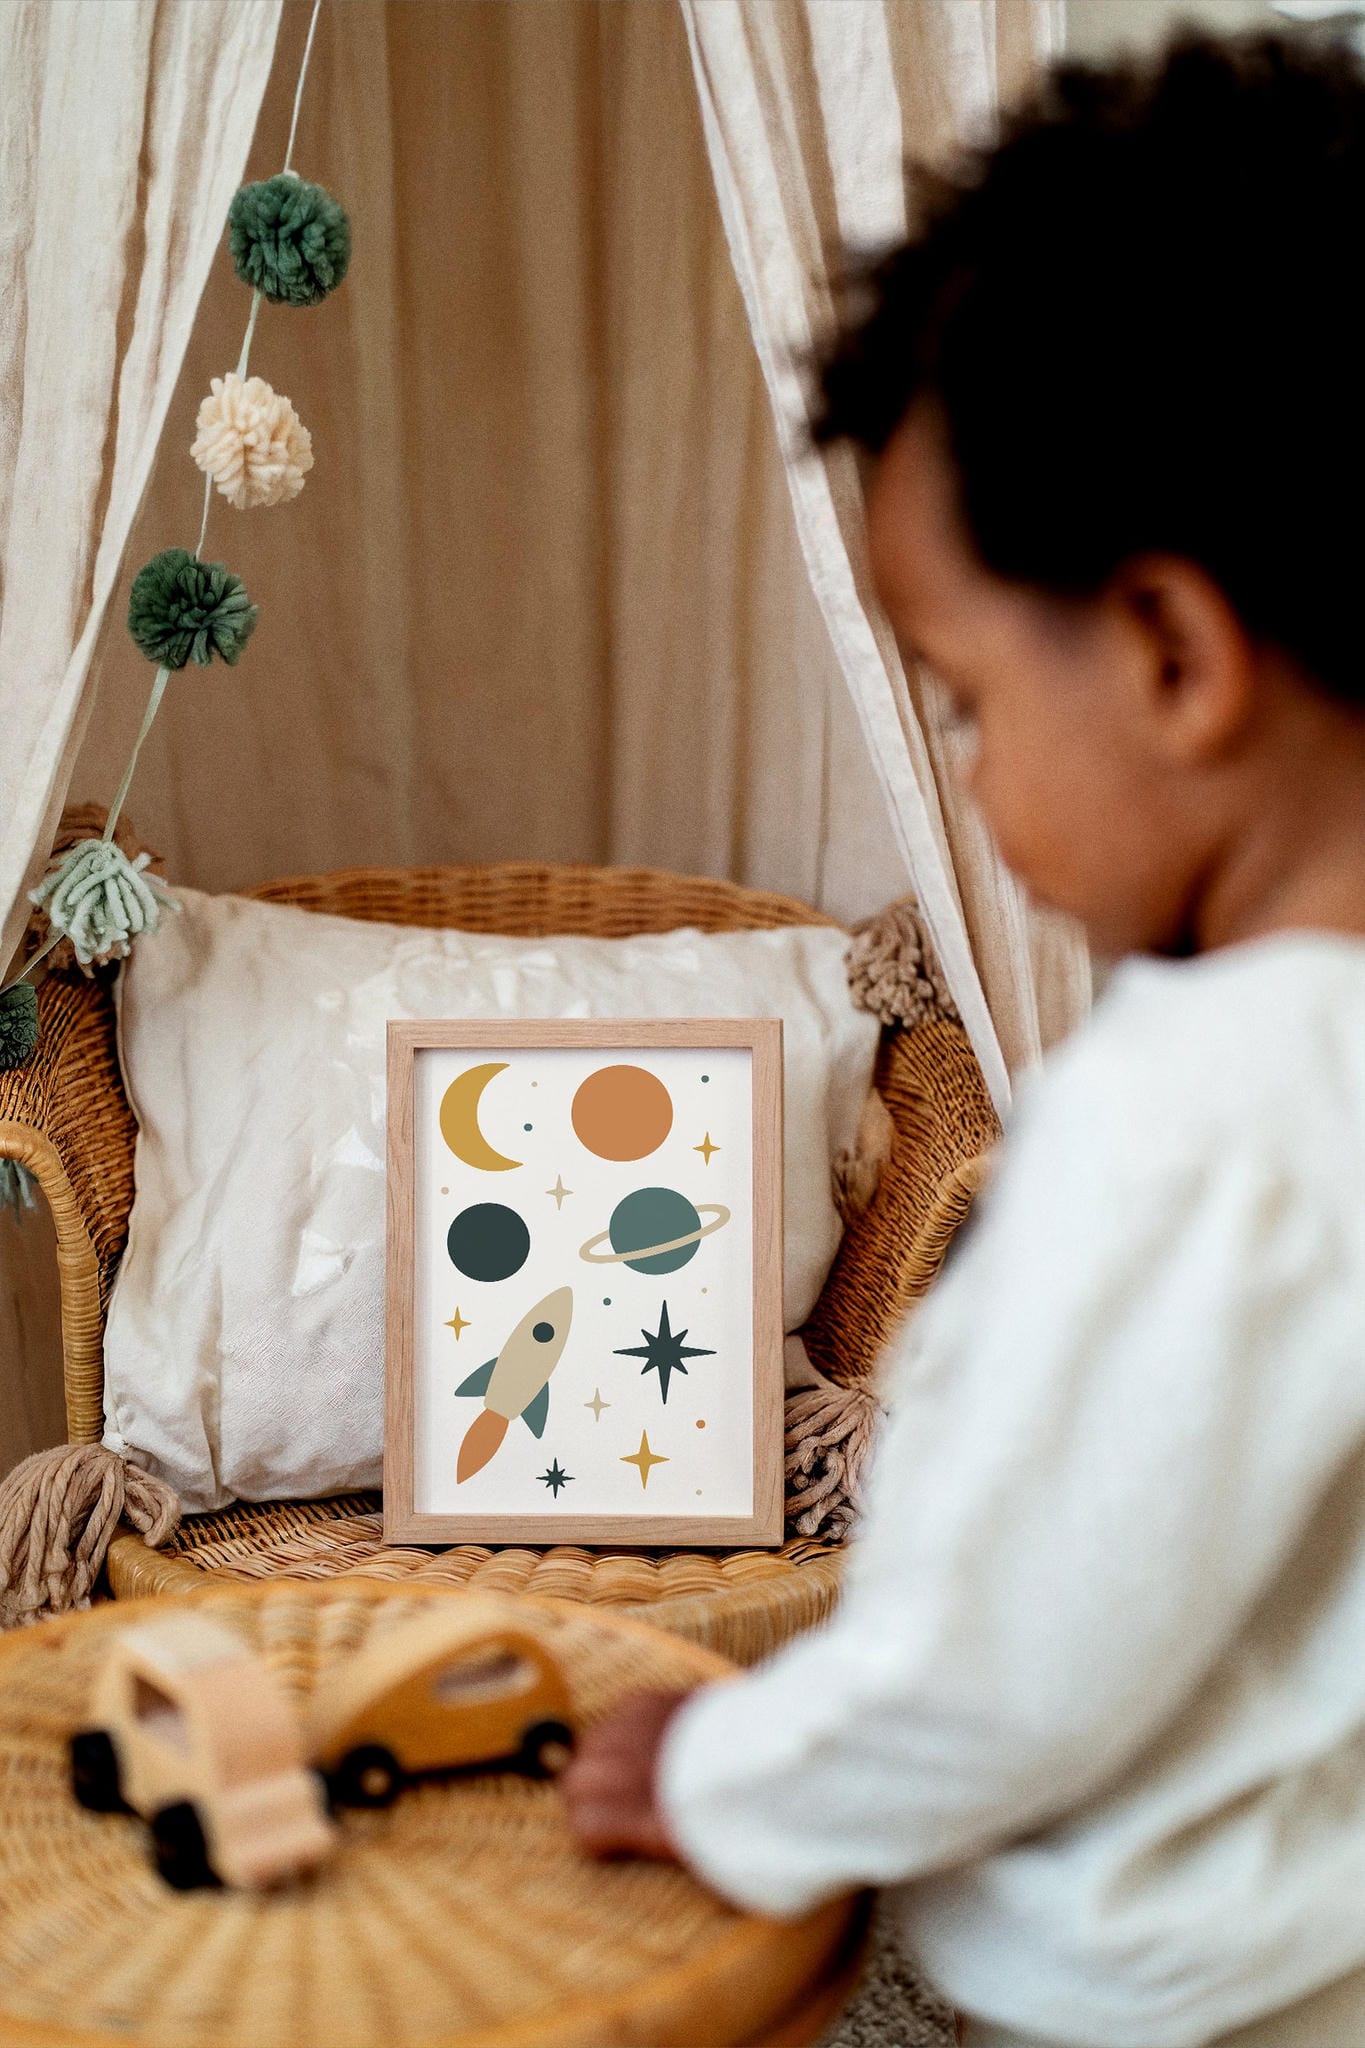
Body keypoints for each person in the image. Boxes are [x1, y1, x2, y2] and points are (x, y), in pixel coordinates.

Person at [561, 29, 1365, 2048]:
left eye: (967, 704)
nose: (975, 784)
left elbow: (1005, 1663)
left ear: (1170, 654)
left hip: (1151, 1998)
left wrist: (722, 1777)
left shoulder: (1199, 1112)